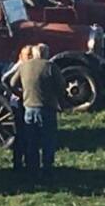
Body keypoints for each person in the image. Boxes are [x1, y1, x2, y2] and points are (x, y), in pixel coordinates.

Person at [5, 43, 65, 179]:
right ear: (46, 54)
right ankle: (47, 169)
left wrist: (21, 94)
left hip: (29, 108)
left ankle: (32, 169)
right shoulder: (50, 67)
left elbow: (12, 83)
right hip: (47, 108)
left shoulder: (24, 66)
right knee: (48, 140)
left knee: (32, 141)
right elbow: (61, 86)